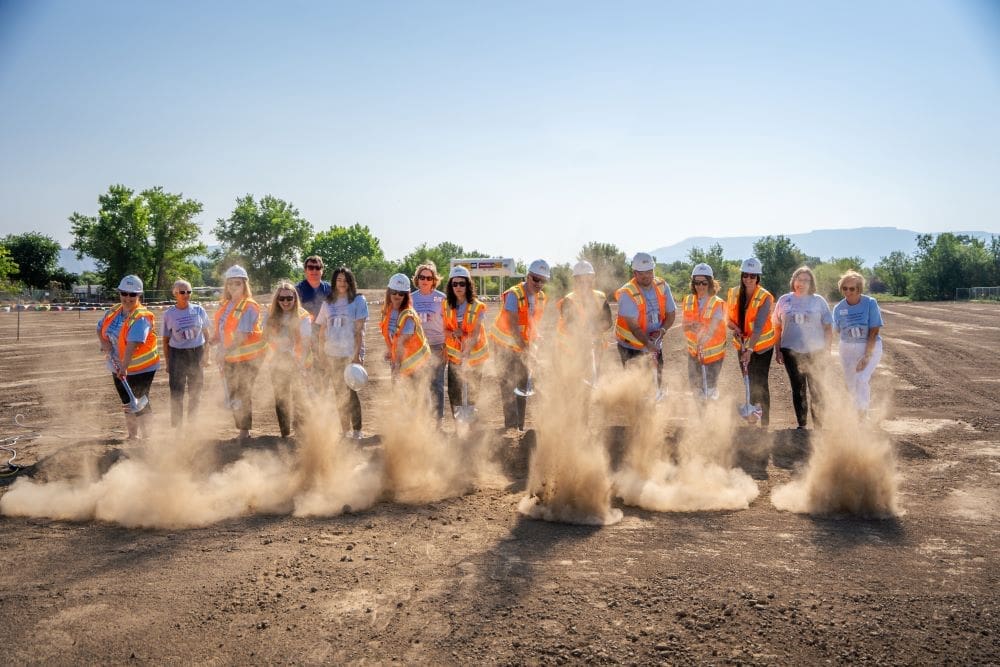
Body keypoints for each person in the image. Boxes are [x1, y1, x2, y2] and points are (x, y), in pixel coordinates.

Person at [96, 275, 160, 440]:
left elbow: (133, 344)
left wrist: (123, 367)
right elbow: (99, 328)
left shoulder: (141, 317)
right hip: (117, 365)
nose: (128, 298)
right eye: (124, 293)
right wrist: (104, 342)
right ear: (120, 293)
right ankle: (132, 436)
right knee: (127, 400)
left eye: (133, 294)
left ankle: (148, 438)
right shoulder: (114, 311)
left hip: (141, 367)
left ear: (139, 296)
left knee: (140, 400)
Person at [489, 259, 549, 431]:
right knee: (507, 386)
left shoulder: (542, 297)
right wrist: (528, 352)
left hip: (522, 345)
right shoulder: (514, 294)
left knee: (523, 386)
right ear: (527, 276)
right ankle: (511, 426)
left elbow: (533, 323)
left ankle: (519, 427)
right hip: (504, 346)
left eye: (543, 280)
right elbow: (514, 327)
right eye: (535, 279)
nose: (538, 284)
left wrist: (537, 338)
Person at [772, 266, 833, 429]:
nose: (802, 283)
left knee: (816, 388)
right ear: (794, 281)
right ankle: (802, 425)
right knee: (797, 388)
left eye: (806, 280)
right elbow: (776, 327)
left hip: (815, 351)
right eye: (799, 279)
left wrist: (827, 350)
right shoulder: (784, 300)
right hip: (790, 350)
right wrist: (777, 349)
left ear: (811, 282)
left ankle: (819, 426)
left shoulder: (818, 300)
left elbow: (828, 327)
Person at [213, 265, 267, 442]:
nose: (233, 287)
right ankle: (241, 428)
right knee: (234, 392)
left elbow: (241, 336)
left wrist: (224, 351)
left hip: (249, 357)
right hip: (231, 356)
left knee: (243, 392)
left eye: (238, 283)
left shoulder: (249, 306)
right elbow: (221, 330)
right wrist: (213, 342)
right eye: (230, 284)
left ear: (245, 285)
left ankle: (244, 432)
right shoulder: (225, 305)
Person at [315, 266, 369, 439]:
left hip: (349, 354)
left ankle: (357, 430)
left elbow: (359, 331)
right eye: (339, 279)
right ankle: (344, 430)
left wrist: (357, 355)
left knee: (351, 392)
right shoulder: (328, 303)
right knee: (339, 393)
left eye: (345, 280)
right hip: (332, 354)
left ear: (350, 282)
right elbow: (322, 331)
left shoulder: (358, 301)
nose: (342, 283)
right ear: (334, 282)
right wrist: (322, 354)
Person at [614, 252, 676, 392]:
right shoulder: (628, 293)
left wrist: (662, 331)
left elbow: (671, 314)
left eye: (649, 272)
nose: (646, 276)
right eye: (641, 273)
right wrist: (648, 344)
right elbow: (634, 328)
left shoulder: (662, 286)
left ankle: (653, 408)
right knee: (636, 386)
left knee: (655, 380)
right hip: (631, 347)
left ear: (653, 270)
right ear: (635, 273)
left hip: (654, 342)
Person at [726, 258, 776, 426]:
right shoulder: (733, 293)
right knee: (749, 381)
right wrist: (735, 328)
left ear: (758, 278)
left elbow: (759, 327)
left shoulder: (765, 297)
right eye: (745, 275)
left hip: (761, 347)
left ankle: (765, 423)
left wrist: (749, 350)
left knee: (760, 382)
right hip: (742, 344)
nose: (748, 279)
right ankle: (752, 418)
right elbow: (728, 319)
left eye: (752, 276)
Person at [263, 281, 313, 439]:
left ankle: (301, 432)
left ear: (294, 298)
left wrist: (301, 364)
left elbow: (305, 343)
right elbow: (265, 335)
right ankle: (285, 433)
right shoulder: (270, 314)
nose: (285, 302)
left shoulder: (303, 316)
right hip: (277, 359)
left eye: (289, 298)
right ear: (277, 300)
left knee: (299, 397)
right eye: (282, 298)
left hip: (297, 360)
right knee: (280, 397)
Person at [161, 279, 211, 429]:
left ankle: (192, 425)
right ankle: (177, 428)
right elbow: (165, 340)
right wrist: (168, 362)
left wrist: (206, 355)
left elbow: (207, 335)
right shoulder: (169, 314)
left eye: (189, 292)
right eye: (182, 292)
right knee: (177, 392)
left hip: (197, 353)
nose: (186, 295)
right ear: (175, 293)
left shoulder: (199, 310)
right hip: (177, 354)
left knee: (196, 391)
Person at [833, 270, 884, 416]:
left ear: (859, 289)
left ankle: (862, 414)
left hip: (869, 346)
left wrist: (866, 356)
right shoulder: (838, 308)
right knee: (850, 383)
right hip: (847, 348)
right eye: (845, 288)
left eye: (852, 288)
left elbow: (874, 331)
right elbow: (835, 330)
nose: (848, 291)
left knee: (861, 379)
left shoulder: (870, 303)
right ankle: (853, 413)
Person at [442, 265, 489, 417]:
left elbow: (475, 333)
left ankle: (471, 423)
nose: (458, 287)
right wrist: (453, 333)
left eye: (462, 283)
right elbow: (444, 330)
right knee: (454, 390)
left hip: (474, 357)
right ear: (451, 286)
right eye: (454, 284)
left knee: (472, 389)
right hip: (455, 357)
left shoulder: (477, 306)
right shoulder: (446, 305)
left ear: (468, 285)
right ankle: (458, 423)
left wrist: (467, 354)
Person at [556, 260, 612, 381]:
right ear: (575, 280)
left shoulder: (600, 297)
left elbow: (608, 321)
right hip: (573, 348)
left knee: (595, 374)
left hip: (596, 345)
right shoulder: (569, 300)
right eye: (581, 280)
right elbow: (570, 326)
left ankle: (593, 397)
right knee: (577, 379)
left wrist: (595, 331)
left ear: (593, 278)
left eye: (588, 279)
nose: (585, 283)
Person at [681, 263, 727, 398]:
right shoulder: (688, 300)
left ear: (710, 283)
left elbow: (713, 328)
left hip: (713, 356)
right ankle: (700, 417)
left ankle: (711, 416)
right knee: (696, 390)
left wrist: (704, 337)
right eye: (697, 282)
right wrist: (691, 326)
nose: (700, 286)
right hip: (694, 353)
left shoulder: (716, 303)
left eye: (704, 283)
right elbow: (684, 326)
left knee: (710, 391)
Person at [410, 262, 447, 424]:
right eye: (422, 277)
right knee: (418, 383)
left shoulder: (441, 298)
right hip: (417, 348)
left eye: (429, 278)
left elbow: (448, 322)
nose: (425, 280)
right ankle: (421, 420)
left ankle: (437, 421)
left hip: (437, 345)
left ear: (434, 280)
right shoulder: (410, 298)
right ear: (417, 279)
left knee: (436, 384)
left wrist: (446, 344)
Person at [380, 273, 431, 380]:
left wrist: (397, 366)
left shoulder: (408, 315)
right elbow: (391, 336)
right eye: (394, 292)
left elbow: (401, 343)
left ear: (406, 295)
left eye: (401, 293)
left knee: (414, 395)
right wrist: (390, 351)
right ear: (389, 292)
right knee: (399, 394)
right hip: (401, 361)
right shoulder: (388, 311)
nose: (397, 296)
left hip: (416, 364)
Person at [295, 255, 331, 319]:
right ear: (305, 270)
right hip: (304, 327)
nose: (314, 270)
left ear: (322, 270)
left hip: (326, 327)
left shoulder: (331, 289)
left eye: (317, 267)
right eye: (311, 267)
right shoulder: (296, 290)